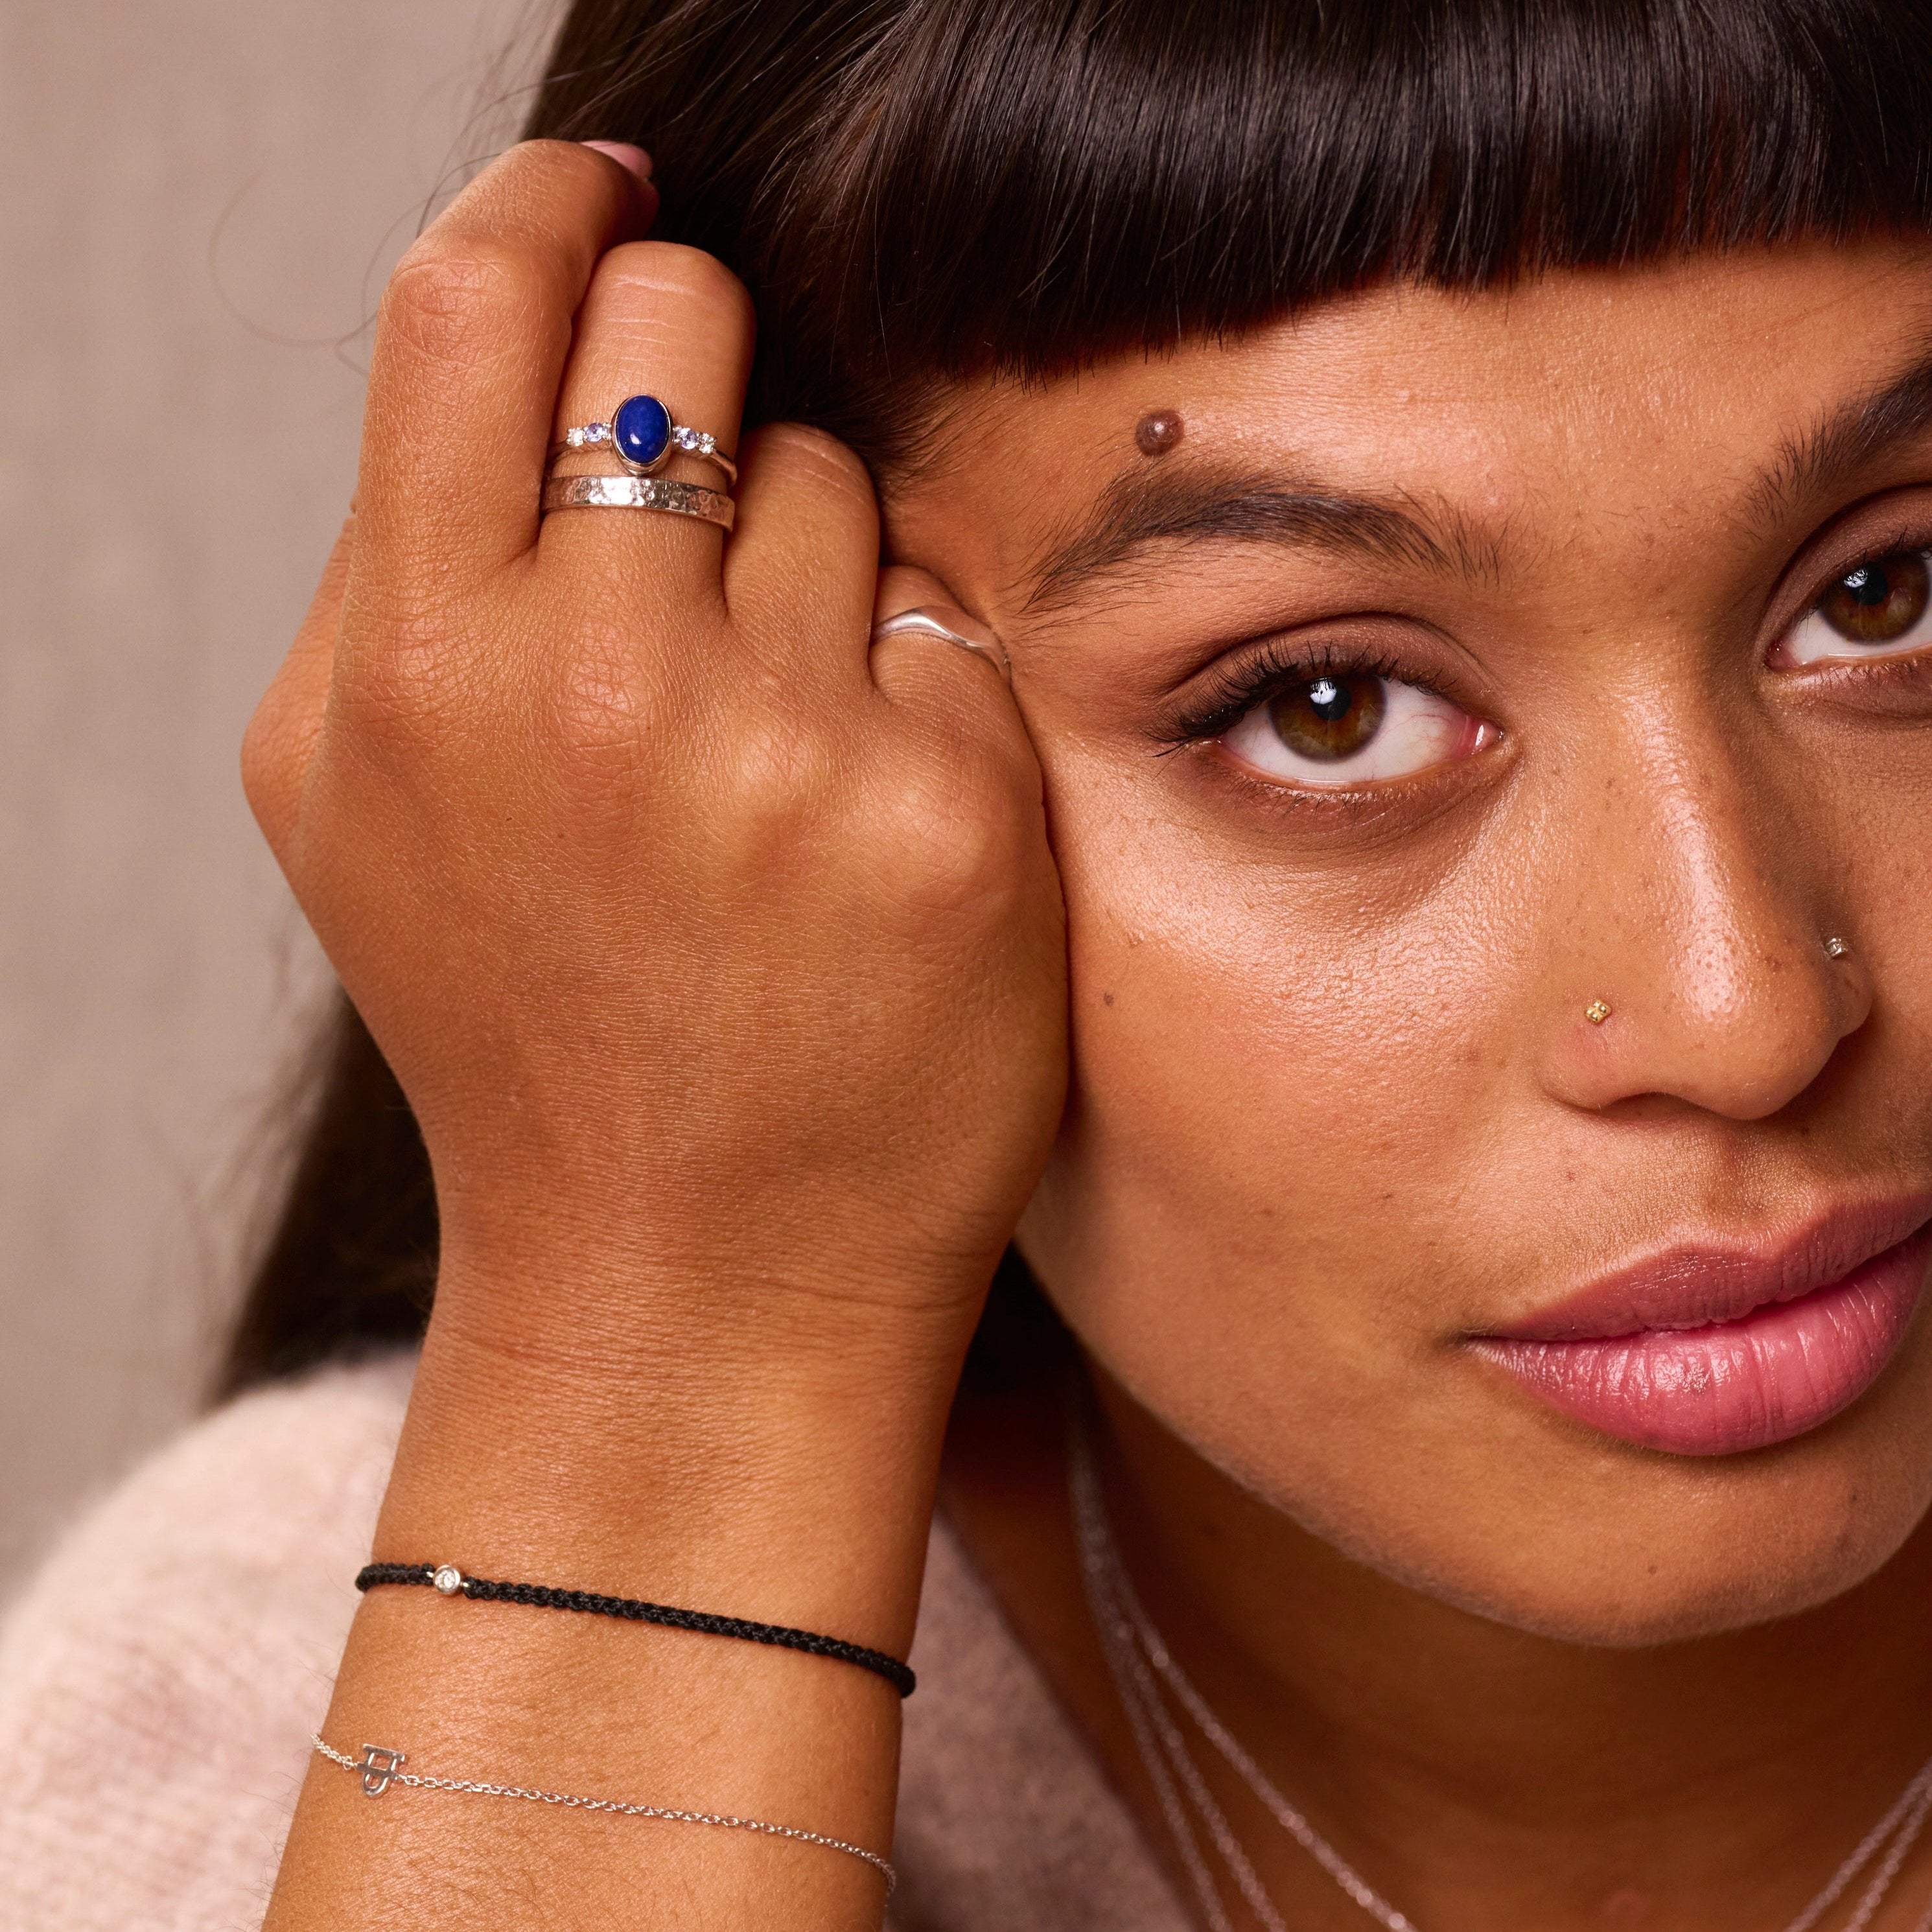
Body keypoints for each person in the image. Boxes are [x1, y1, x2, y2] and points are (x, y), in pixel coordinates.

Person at [6, 0, 1932, 1924]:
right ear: (758, 752)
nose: (1747, 1011)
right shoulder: (243, 1763)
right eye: (1325, 708)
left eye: (1886, 593)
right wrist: (680, 1337)